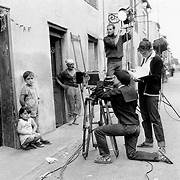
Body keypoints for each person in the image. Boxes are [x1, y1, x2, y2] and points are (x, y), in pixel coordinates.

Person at [93, 70, 172, 164]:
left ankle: (105, 157)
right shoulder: (131, 89)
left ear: (119, 80)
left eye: (114, 77)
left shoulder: (118, 92)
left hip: (127, 127)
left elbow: (102, 95)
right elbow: (120, 99)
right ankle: (158, 156)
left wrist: (99, 83)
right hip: (135, 127)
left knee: (98, 131)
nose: (113, 79)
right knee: (131, 154)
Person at [131, 38, 165, 153]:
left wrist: (142, 78)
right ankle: (149, 140)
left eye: (144, 52)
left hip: (151, 93)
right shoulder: (145, 60)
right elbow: (143, 74)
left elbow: (156, 77)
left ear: (150, 49)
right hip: (143, 92)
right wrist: (137, 77)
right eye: (141, 52)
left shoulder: (157, 60)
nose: (142, 54)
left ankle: (161, 144)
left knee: (154, 118)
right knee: (145, 117)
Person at [19, 71, 51, 145]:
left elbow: (36, 97)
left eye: (31, 78)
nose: (30, 80)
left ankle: (40, 139)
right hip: (29, 110)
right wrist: (25, 108)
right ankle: (36, 141)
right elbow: (21, 99)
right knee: (31, 125)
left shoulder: (33, 87)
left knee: (36, 124)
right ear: (25, 80)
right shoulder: (25, 88)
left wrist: (38, 100)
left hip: (35, 109)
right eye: (28, 79)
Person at [56, 58, 81, 125]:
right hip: (69, 88)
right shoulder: (64, 72)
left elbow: (83, 78)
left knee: (78, 103)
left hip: (77, 88)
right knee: (71, 103)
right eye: (70, 64)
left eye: (72, 64)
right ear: (67, 65)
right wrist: (62, 85)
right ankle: (72, 119)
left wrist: (83, 85)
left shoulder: (77, 71)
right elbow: (57, 78)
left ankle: (75, 116)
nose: (72, 66)